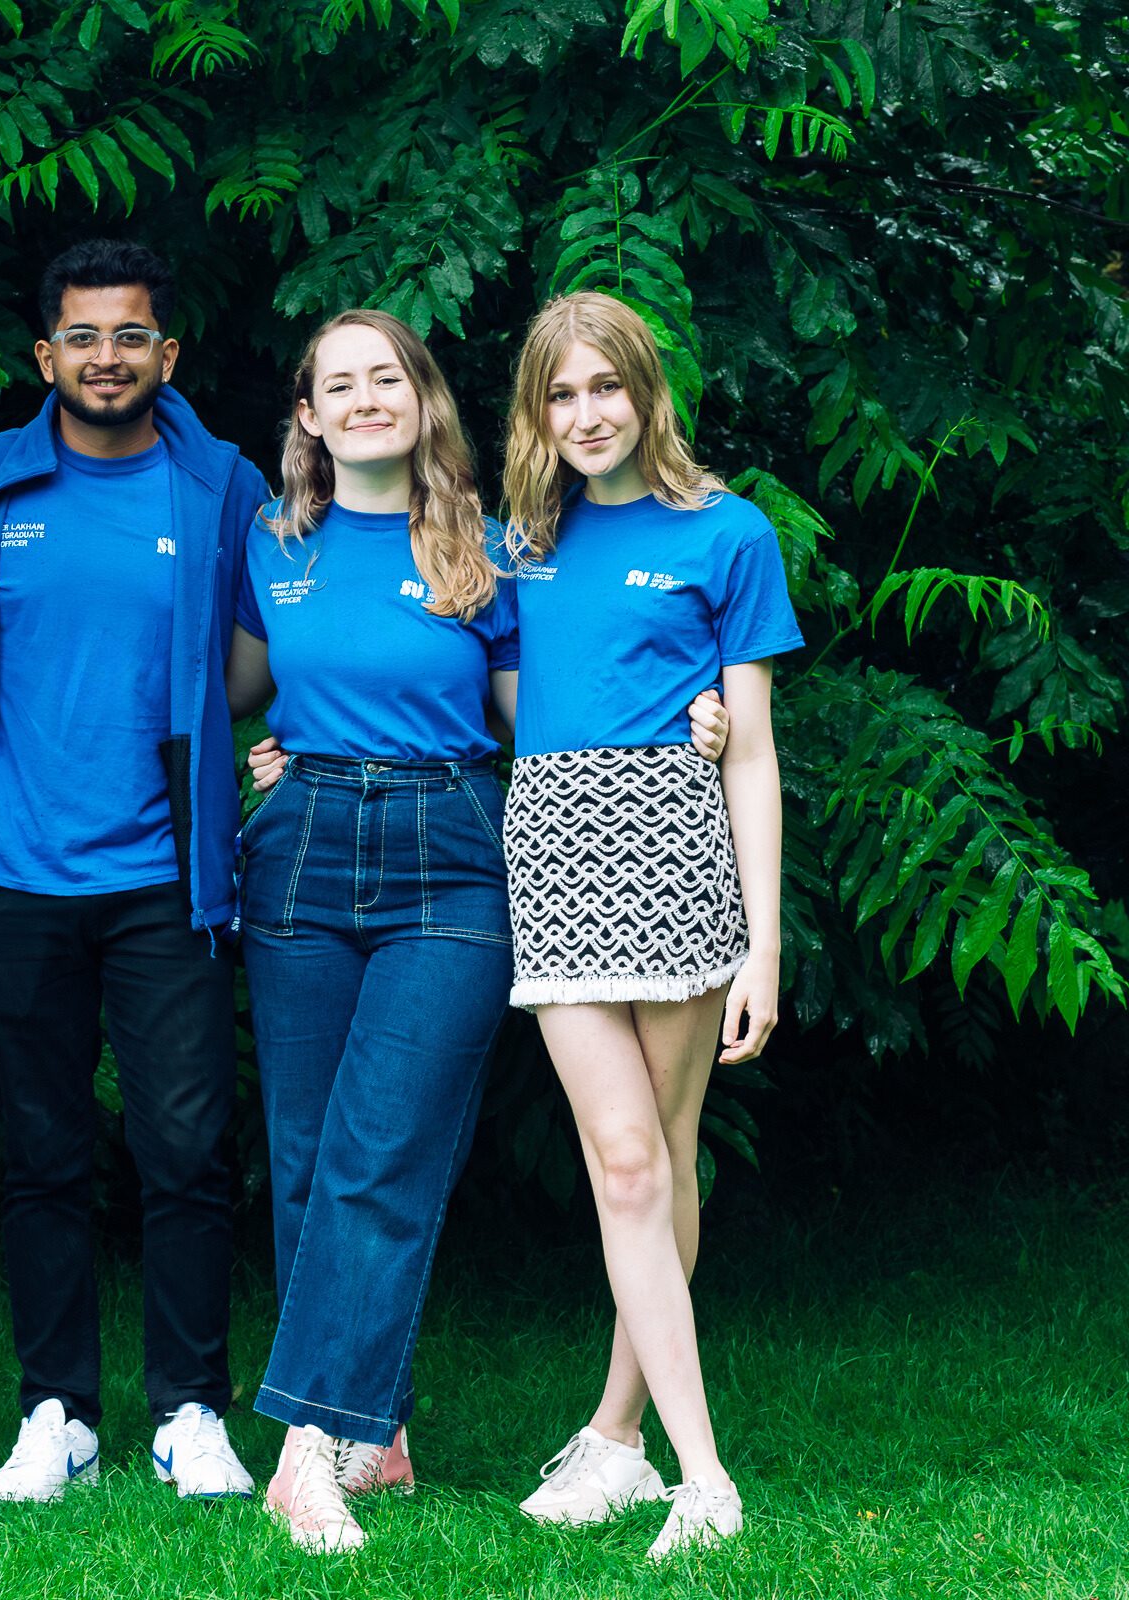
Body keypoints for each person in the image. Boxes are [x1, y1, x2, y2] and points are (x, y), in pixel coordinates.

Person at [228, 311, 728, 1555]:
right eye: (335, 384)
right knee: (305, 1152)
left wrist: (700, 712)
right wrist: (267, 758)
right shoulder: (271, 543)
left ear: (424, 397)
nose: (362, 399)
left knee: (386, 1144)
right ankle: (367, 1427)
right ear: (306, 414)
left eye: (384, 377)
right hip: (302, 845)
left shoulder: (494, 548)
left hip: (452, 853)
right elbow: (240, 688)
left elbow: (555, 699)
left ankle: (302, 1456)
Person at [0, 239, 269, 1503]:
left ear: (166, 354)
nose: (107, 358)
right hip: (15, 868)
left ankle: (190, 1410)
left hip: (166, 873)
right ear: (45, 355)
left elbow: (291, 619)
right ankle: (54, 1410)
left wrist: (276, 742)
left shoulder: (223, 486)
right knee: (42, 1152)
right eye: (82, 336)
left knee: (186, 1148)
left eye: (131, 336)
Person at [498, 290, 798, 1560]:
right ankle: (704, 1474)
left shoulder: (727, 533)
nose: (586, 414)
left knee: (658, 1158)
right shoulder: (517, 546)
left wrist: (764, 945)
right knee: (623, 1159)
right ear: (535, 411)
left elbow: (753, 754)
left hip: (680, 858)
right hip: (556, 858)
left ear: (646, 389)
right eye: (560, 394)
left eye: (605, 387)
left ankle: (622, 1442)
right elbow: (503, 709)